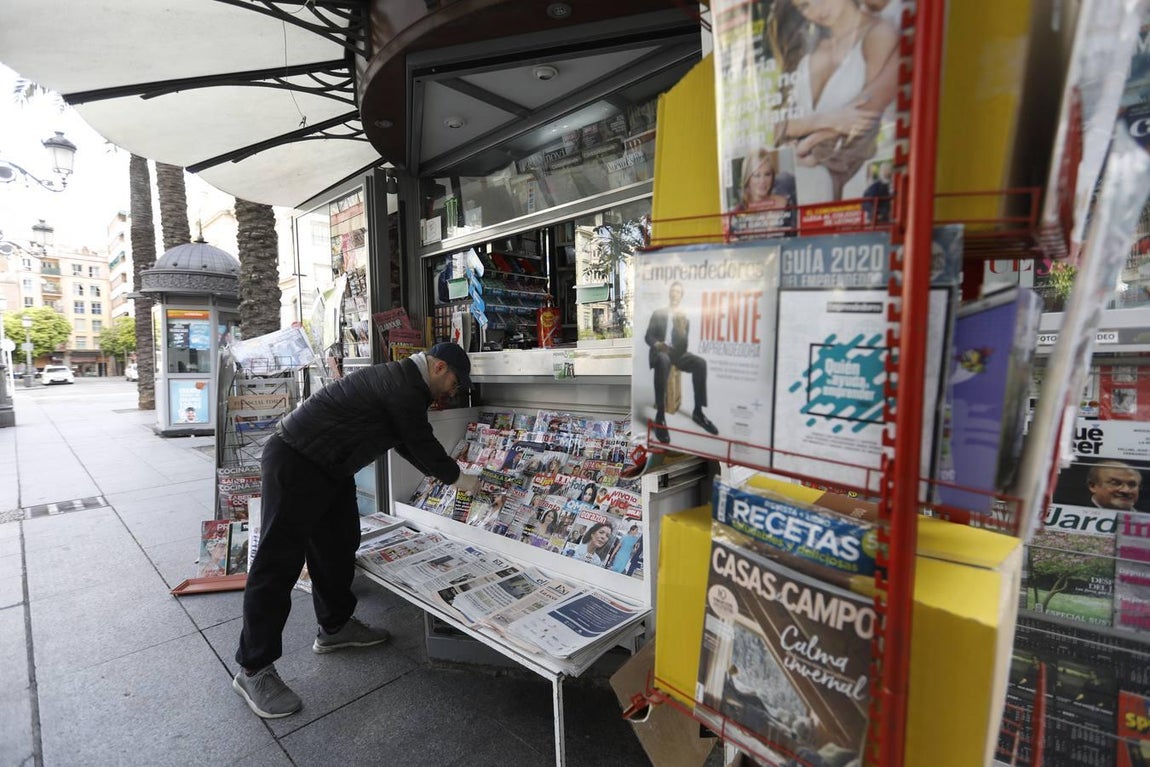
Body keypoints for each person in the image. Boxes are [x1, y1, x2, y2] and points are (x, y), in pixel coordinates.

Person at [232, 342, 480, 719]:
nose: (453, 392)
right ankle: (254, 668)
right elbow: (418, 441)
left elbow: (406, 444)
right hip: (296, 459)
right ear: (439, 367)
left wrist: (447, 476)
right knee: (277, 564)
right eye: (454, 383)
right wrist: (457, 478)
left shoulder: (403, 384)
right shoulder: (405, 386)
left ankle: (334, 627)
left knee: (336, 544)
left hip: (331, 465)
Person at [770, 0, 900, 203]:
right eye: (804, 6)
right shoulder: (807, 49)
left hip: (857, 170)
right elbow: (777, 128)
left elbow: (863, 118)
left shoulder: (878, 33)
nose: (817, 11)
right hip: (811, 177)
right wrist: (829, 120)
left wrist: (808, 141)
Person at [644, 281, 718, 443]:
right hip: (661, 352)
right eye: (673, 291)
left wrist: (681, 330)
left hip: (677, 354)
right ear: (669, 293)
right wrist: (658, 344)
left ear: (681, 296)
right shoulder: (658, 313)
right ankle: (660, 415)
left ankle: (698, 412)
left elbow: (683, 347)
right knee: (663, 359)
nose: (675, 294)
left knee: (700, 363)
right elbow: (648, 336)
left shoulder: (684, 318)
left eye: (678, 292)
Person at [734, 149, 796, 230]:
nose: (763, 181)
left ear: (773, 176)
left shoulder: (786, 205)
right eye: (757, 175)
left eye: (767, 174)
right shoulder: (738, 213)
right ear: (747, 179)